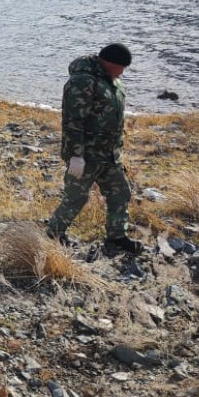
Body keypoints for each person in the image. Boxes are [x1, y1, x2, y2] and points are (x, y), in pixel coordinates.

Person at [45, 43, 142, 255]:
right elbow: (72, 121)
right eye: (121, 67)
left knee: (120, 193)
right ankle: (53, 234)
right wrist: (75, 156)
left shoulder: (113, 82)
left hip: (109, 156)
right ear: (109, 62)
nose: (123, 72)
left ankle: (117, 237)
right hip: (86, 156)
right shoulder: (82, 81)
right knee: (76, 197)